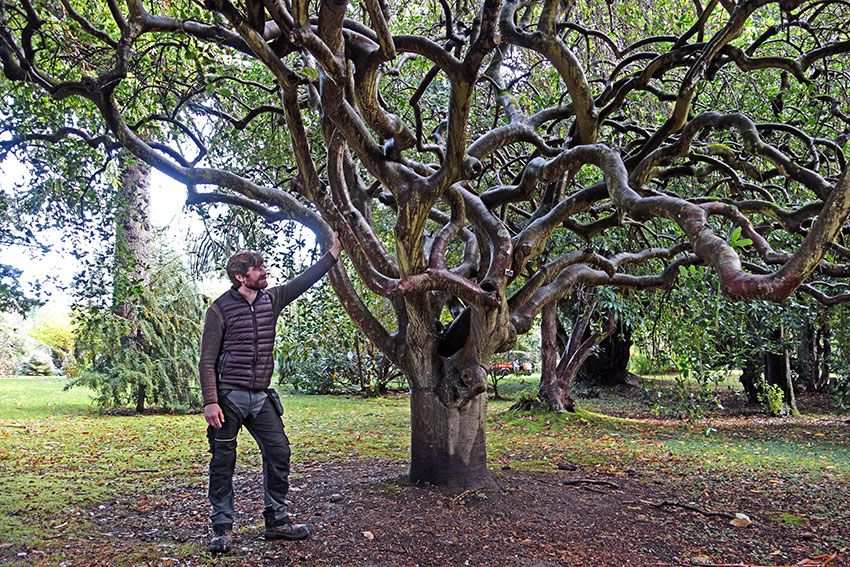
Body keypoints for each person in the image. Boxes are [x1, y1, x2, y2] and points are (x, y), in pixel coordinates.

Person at [198, 234, 342, 554]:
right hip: (228, 399)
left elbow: (305, 280)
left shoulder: (271, 299)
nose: (264, 271)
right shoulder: (219, 310)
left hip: (262, 397)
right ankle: (221, 528)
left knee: (279, 452)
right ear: (240, 277)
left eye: (262, 266)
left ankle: (277, 521)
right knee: (223, 461)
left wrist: (333, 253)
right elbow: (207, 359)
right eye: (257, 268)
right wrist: (210, 401)